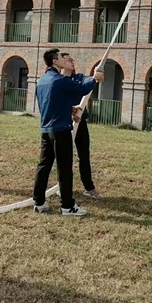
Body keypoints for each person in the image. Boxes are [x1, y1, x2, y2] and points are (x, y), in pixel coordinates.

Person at [33, 48, 103, 216]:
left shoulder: (42, 81)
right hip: (61, 129)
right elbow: (82, 89)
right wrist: (95, 79)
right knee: (64, 169)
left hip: (46, 130)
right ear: (55, 61)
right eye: (61, 58)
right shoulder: (59, 79)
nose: (66, 60)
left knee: (44, 165)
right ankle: (67, 206)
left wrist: (70, 110)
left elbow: (50, 103)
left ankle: (39, 202)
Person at [59, 53, 101, 199]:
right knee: (64, 157)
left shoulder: (79, 78)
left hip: (80, 123)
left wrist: (96, 75)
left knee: (84, 155)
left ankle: (89, 188)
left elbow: (89, 81)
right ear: (60, 62)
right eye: (68, 60)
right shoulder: (57, 81)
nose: (72, 61)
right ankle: (62, 187)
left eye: (73, 60)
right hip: (64, 123)